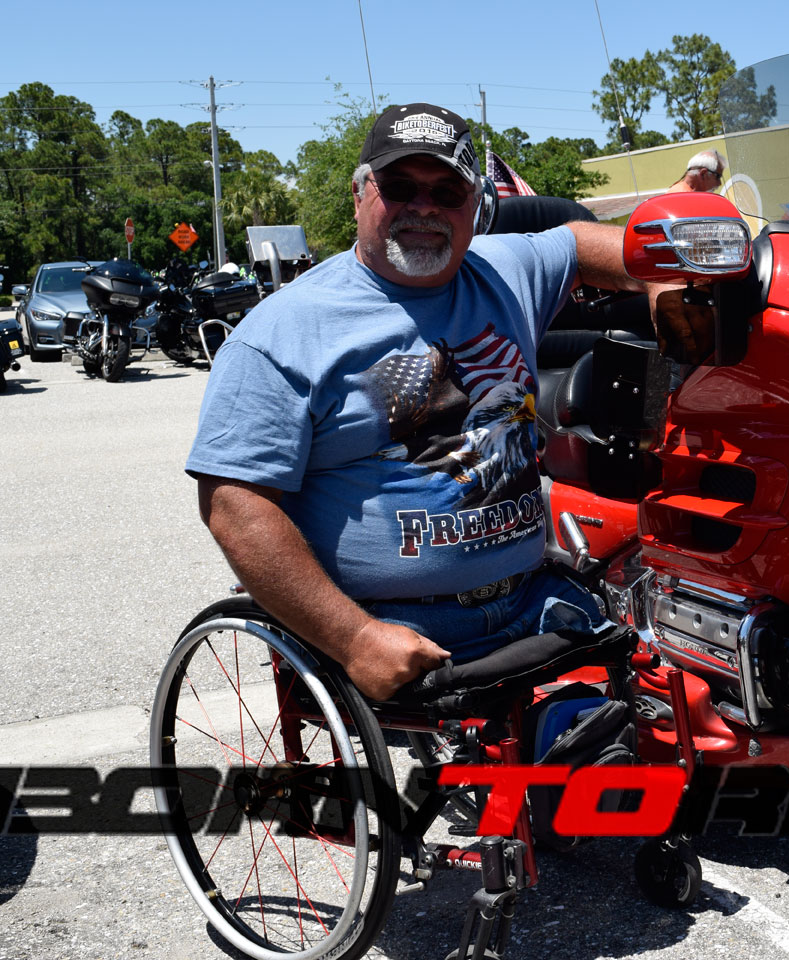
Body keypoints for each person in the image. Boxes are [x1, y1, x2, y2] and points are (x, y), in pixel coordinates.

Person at [185, 102, 694, 702]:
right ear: (359, 194)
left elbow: (578, 243)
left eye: (447, 191)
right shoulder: (283, 331)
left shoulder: (503, 270)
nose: (424, 207)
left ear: (474, 205)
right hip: (398, 628)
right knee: (586, 737)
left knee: (686, 699)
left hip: (532, 597)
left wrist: (661, 273)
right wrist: (354, 638)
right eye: (400, 187)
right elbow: (234, 504)